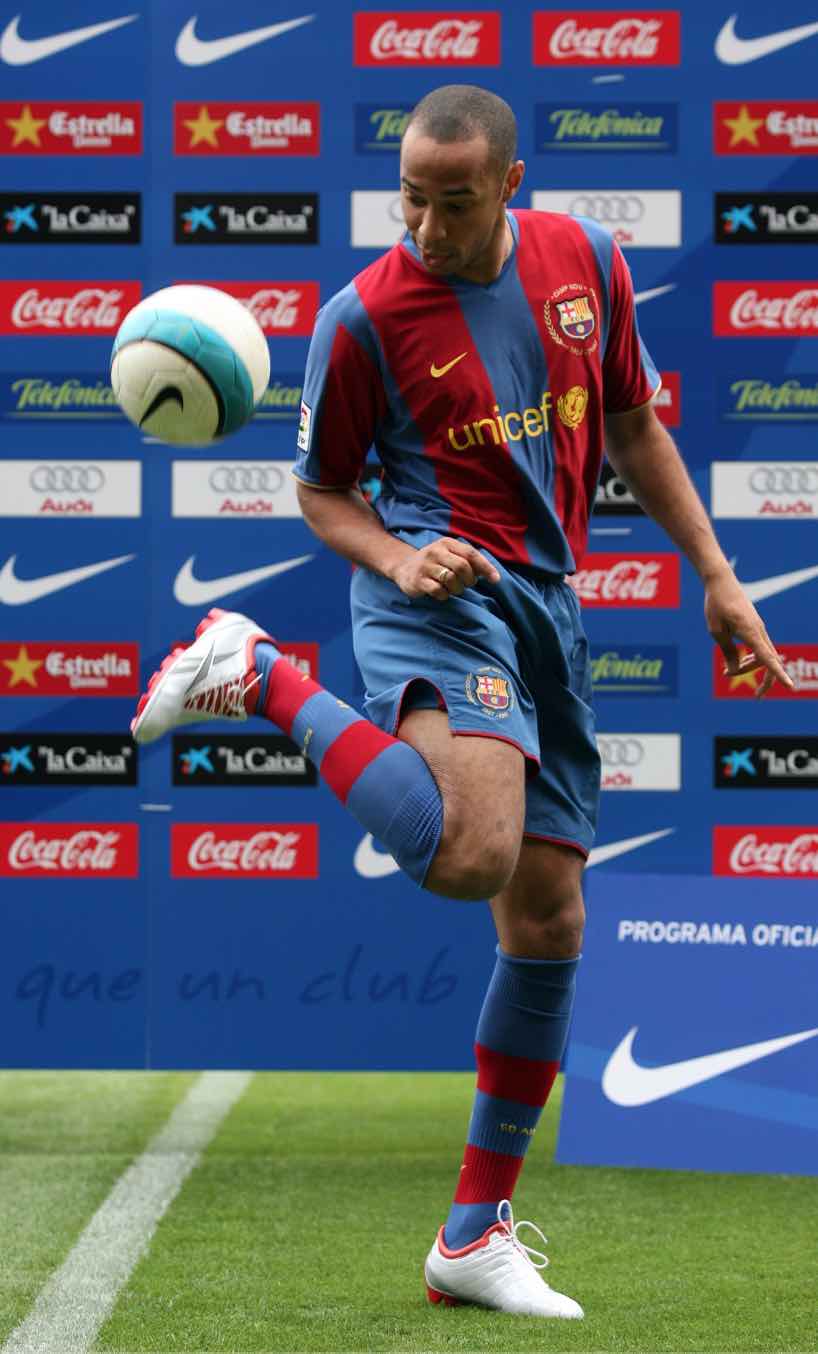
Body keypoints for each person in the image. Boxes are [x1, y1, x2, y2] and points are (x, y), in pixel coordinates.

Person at [133, 85, 793, 1319]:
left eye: (452, 202)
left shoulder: (585, 261)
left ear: (508, 186)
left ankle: (471, 1235)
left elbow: (634, 425)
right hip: (434, 588)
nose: (426, 228)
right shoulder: (362, 317)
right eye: (410, 201)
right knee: (469, 852)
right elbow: (322, 492)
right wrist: (396, 560)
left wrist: (714, 572)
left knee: (545, 920)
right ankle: (256, 669)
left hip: (547, 606)